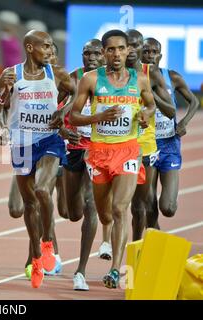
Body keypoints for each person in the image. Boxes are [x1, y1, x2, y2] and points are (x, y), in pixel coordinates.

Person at [0, 30, 75, 289]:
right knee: (28, 205)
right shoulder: (10, 74)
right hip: (22, 143)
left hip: (49, 139)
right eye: (45, 46)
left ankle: (48, 243)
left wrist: (64, 112)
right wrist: (3, 93)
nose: (50, 51)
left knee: (42, 190)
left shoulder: (56, 74)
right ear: (29, 47)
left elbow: (77, 94)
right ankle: (35, 258)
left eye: (50, 46)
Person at [69, 29, 155, 289]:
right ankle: (108, 240)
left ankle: (116, 269)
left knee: (120, 209)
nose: (116, 54)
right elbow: (73, 116)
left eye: (121, 49)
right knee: (105, 213)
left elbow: (150, 105)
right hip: (99, 153)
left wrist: (145, 115)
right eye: (111, 49)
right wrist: (98, 118)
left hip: (128, 150)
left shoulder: (139, 79)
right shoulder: (91, 79)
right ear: (104, 52)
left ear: (129, 50)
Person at [60, 39, 106, 290]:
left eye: (95, 53)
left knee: (91, 205)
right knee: (72, 212)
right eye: (86, 53)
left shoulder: (112, 82)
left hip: (98, 148)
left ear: (104, 56)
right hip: (73, 147)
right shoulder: (71, 79)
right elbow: (53, 115)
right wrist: (63, 132)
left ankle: (81, 270)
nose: (90, 57)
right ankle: (59, 181)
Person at [141, 37, 199, 229]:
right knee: (148, 206)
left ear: (160, 55)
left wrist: (184, 122)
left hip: (169, 144)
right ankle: (155, 241)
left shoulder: (171, 76)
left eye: (153, 52)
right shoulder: (135, 78)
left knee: (168, 207)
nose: (150, 56)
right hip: (147, 144)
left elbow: (194, 101)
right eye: (146, 52)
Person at [125, 29, 176, 241]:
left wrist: (150, 97)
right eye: (126, 46)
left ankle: (141, 249)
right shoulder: (105, 73)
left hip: (145, 146)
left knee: (143, 205)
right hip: (114, 145)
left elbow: (171, 111)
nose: (130, 50)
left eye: (136, 46)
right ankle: (110, 246)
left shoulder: (151, 74)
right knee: (110, 207)